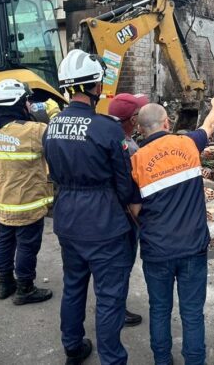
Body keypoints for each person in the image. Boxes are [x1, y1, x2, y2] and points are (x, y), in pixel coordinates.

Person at [44, 49, 136, 365]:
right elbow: (124, 184)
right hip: (103, 223)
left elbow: (54, 173)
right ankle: (111, 358)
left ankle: (72, 347)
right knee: (110, 297)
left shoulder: (51, 126)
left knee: (74, 285)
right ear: (95, 86)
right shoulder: (107, 128)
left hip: (67, 218)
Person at [128, 90, 214, 365]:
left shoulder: (135, 162)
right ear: (167, 123)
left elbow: (134, 210)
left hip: (156, 250)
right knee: (192, 313)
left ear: (140, 130)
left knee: (159, 310)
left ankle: (162, 361)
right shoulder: (188, 144)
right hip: (192, 248)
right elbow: (209, 127)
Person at [0, 79, 53, 305]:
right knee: (27, 246)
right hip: (28, 204)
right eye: (27, 101)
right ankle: (25, 289)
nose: (29, 105)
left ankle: (4, 283)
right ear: (19, 103)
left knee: (4, 243)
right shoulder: (35, 131)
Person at [108, 93, 151, 327]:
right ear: (134, 120)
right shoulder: (130, 148)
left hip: (105, 214)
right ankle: (117, 309)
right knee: (122, 265)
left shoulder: (107, 139)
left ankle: (114, 305)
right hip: (125, 217)